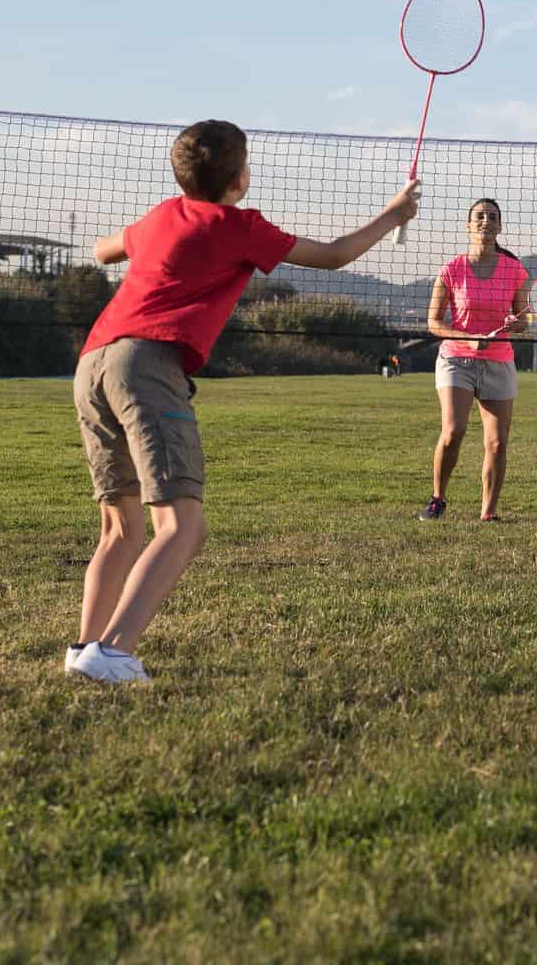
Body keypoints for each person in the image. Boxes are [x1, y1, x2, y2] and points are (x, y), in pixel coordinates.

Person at [66, 119, 420, 684]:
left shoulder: (161, 216)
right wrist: (394, 214)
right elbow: (333, 255)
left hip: (92, 363)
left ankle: (82, 648)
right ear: (237, 179)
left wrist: (147, 247)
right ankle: (112, 652)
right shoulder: (239, 226)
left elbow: (102, 250)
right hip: (146, 366)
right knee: (182, 526)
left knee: (119, 527)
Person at [420, 197, 533, 522]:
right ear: (469, 225)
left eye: (492, 217)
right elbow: (434, 323)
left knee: (497, 444)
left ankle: (488, 512)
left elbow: (522, 316)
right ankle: (438, 498)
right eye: (479, 216)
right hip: (457, 360)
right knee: (453, 432)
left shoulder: (514, 270)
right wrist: (468, 338)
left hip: (499, 361)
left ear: (499, 226)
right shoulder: (451, 270)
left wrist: (517, 323)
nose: (486, 221)